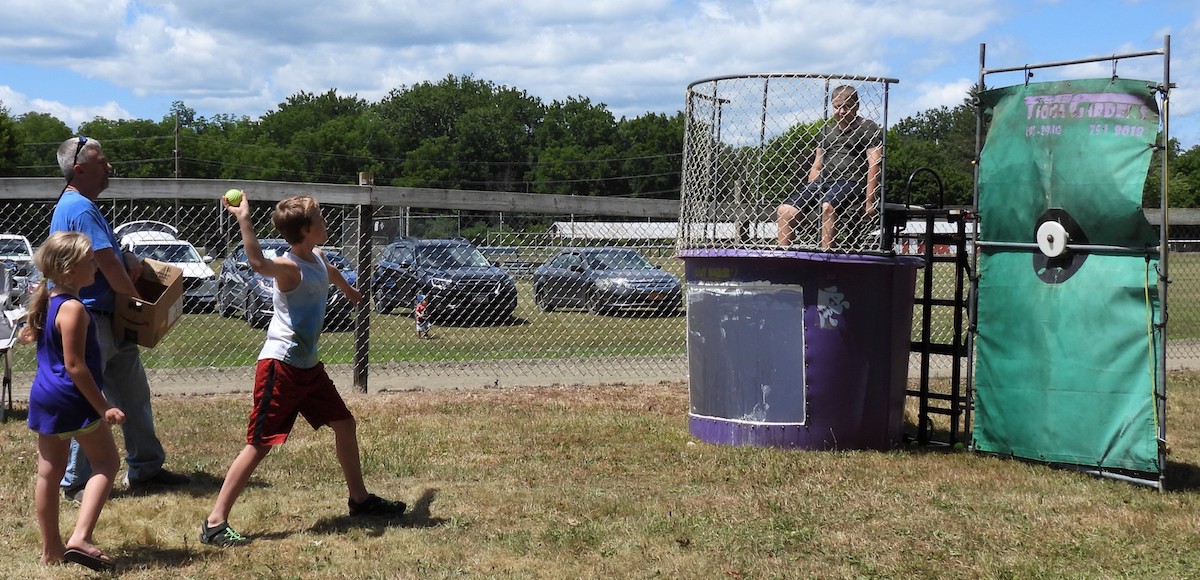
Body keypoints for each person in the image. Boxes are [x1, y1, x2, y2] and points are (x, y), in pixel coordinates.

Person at [201, 192, 407, 547]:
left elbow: (328, 271)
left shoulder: (316, 256)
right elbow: (256, 262)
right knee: (259, 444)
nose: (327, 223)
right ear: (307, 229)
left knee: (344, 423)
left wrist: (349, 291)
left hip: (309, 367)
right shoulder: (288, 266)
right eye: (322, 219)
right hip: (280, 367)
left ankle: (359, 501)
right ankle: (215, 522)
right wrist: (243, 217)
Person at [50, 137, 189, 502]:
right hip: (94, 319)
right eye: (102, 162)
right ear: (79, 169)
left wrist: (128, 262)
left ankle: (146, 468)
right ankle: (78, 483)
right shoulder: (80, 208)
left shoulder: (82, 206)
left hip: (108, 319)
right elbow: (107, 264)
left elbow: (112, 255)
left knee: (132, 394)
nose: (109, 167)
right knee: (92, 399)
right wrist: (138, 304)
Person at [26, 232, 124, 572]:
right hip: (72, 399)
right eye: (89, 262)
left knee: (48, 474)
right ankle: (80, 537)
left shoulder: (50, 300)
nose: (95, 265)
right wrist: (103, 406)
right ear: (69, 270)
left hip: (45, 397)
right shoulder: (75, 309)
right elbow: (75, 365)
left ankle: (51, 548)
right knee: (107, 463)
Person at [776, 85, 883, 249]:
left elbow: (875, 164)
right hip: (824, 182)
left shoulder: (867, 128)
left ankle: (826, 256)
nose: (841, 111)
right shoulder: (827, 130)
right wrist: (809, 190)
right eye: (837, 106)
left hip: (852, 182)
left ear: (857, 106)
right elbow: (817, 165)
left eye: (846, 106)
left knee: (827, 207)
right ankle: (782, 260)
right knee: (785, 211)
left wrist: (870, 200)